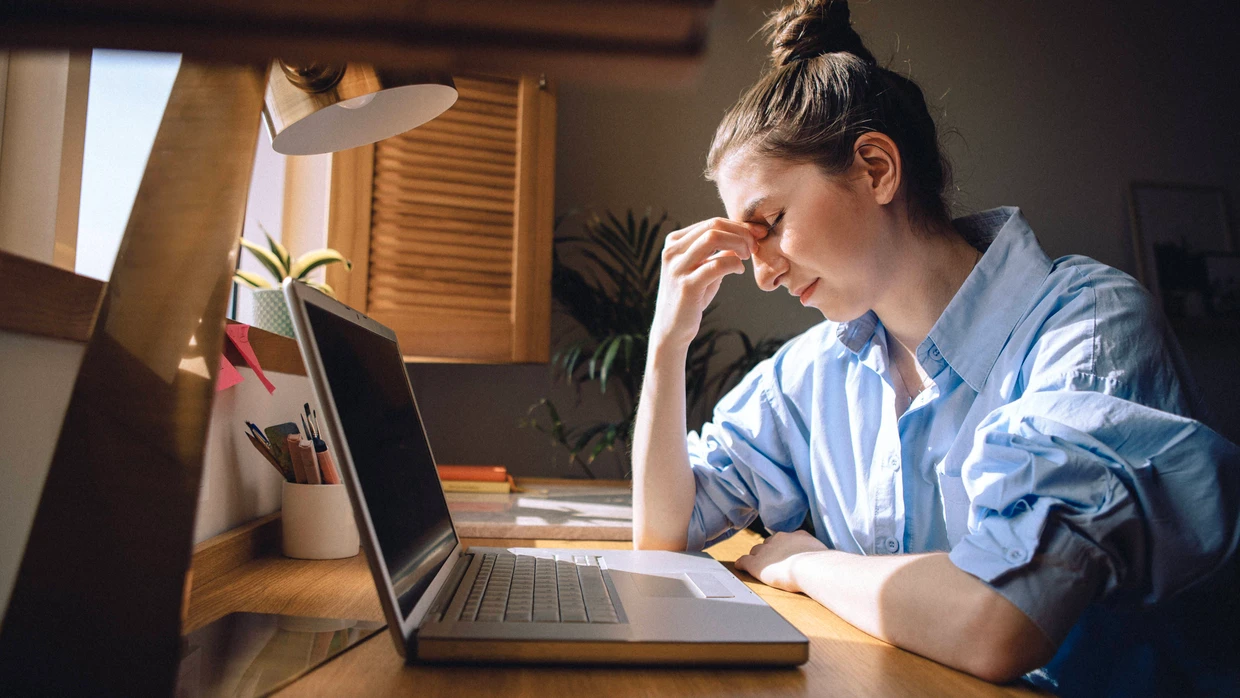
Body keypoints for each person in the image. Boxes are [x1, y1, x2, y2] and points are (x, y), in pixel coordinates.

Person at [630, 1, 1240, 694]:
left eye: (769, 222)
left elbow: (996, 623)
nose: (762, 271)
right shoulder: (811, 372)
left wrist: (802, 564)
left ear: (876, 168)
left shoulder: (1090, 331)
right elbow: (662, 541)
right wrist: (668, 342)